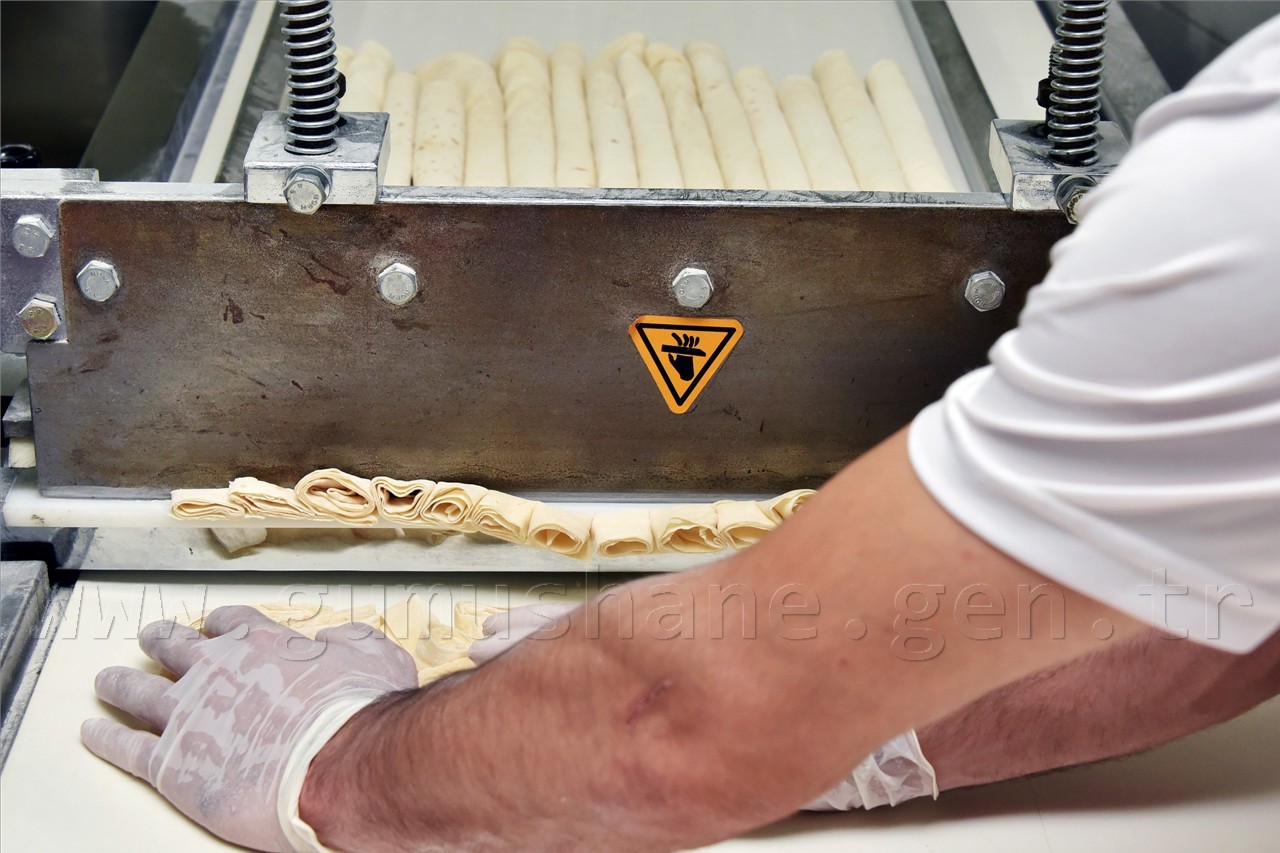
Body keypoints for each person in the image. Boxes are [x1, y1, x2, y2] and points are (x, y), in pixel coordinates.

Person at [80, 15, 1280, 853]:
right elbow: (1224, 612)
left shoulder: (1244, 187)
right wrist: (863, 702)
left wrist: (338, 760)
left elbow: (669, 725)